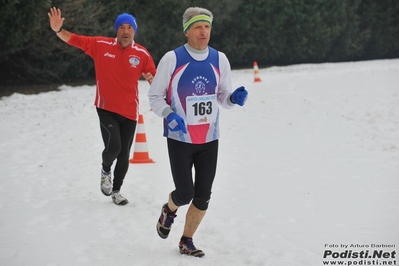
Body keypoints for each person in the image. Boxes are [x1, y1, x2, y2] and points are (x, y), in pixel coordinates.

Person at [148, 7, 248, 257]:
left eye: (207, 27)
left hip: (209, 139)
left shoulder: (219, 59)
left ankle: (186, 240)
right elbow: (155, 96)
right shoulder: (172, 59)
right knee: (185, 193)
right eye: (197, 27)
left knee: (203, 196)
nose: (204, 31)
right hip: (180, 138)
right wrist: (169, 115)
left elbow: (222, 97)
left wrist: (233, 98)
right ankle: (168, 211)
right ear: (186, 31)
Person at [48, 7, 156, 205]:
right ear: (116, 30)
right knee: (114, 147)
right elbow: (76, 40)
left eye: (129, 28)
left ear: (134, 31)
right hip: (106, 108)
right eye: (122, 27)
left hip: (130, 112)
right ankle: (106, 169)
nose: (125, 31)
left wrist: (153, 81)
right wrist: (58, 31)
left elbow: (153, 76)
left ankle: (116, 191)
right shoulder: (101, 45)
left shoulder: (142, 53)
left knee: (124, 154)